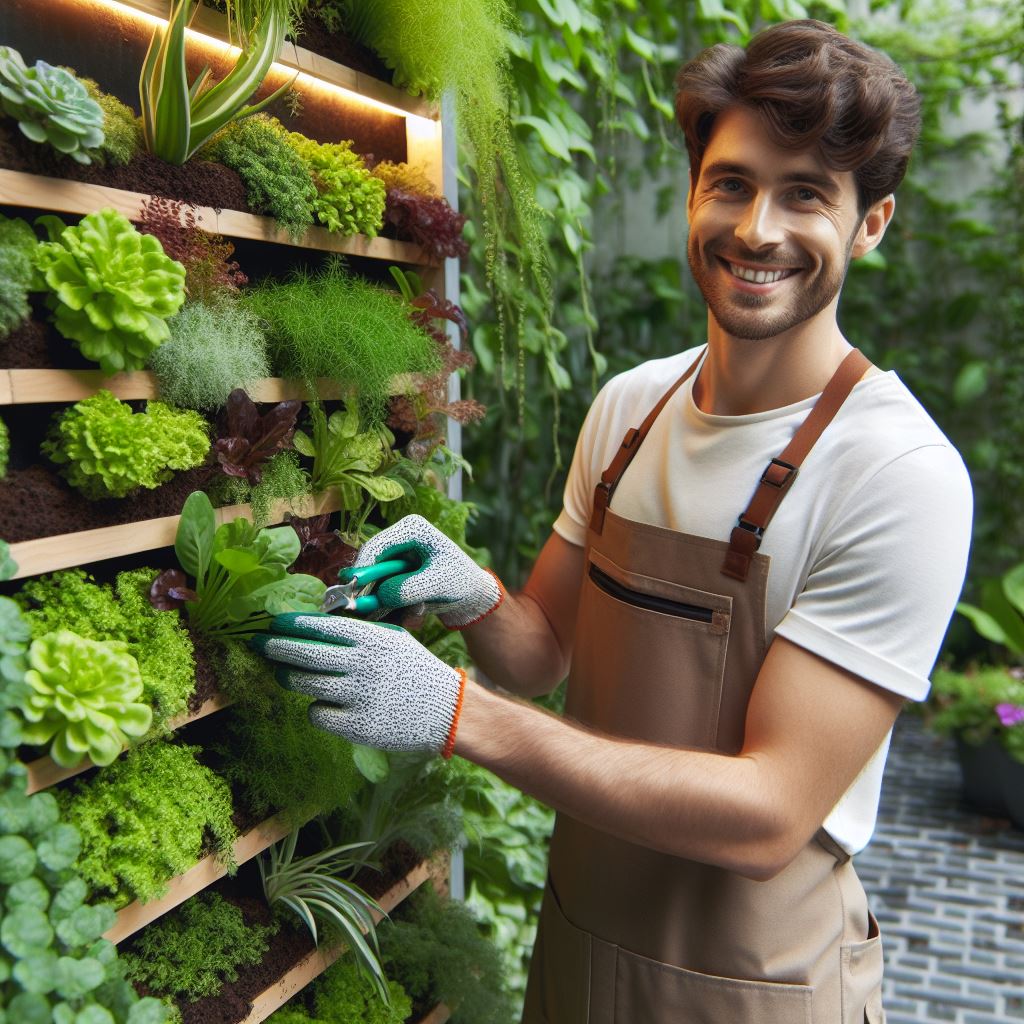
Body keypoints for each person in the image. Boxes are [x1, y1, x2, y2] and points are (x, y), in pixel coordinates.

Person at [252, 19, 973, 1024]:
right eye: (731, 182)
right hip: (581, 947)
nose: (757, 227)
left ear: (871, 223)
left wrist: (458, 716)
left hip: (752, 983)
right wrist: (470, 593)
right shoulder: (631, 409)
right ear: (692, 193)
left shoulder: (895, 473)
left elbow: (768, 812)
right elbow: (543, 654)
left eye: (806, 193)